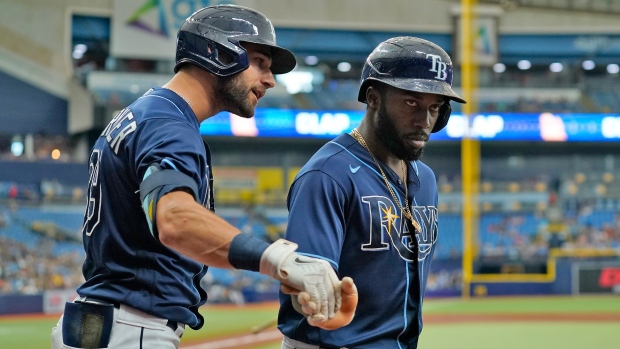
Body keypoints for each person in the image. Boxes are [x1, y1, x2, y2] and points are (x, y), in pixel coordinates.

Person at [51, 5, 356, 349]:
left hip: (108, 323)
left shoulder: (147, 114)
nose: (270, 80)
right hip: (130, 327)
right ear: (217, 52)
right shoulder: (169, 124)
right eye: (260, 62)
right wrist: (280, 259)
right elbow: (175, 220)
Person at [277, 36, 467, 348]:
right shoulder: (327, 175)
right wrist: (308, 296)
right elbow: (307, 281)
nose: (424, 121)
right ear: (373, 97)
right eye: (411, 103)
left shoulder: (426, 180)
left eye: (435, 107)